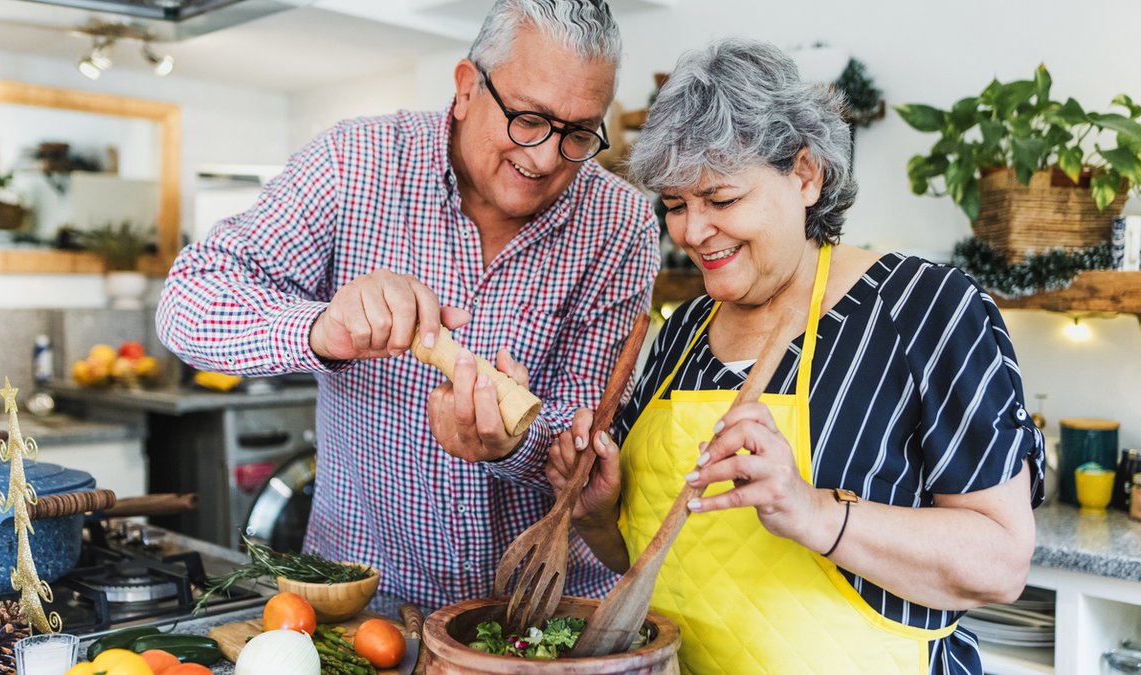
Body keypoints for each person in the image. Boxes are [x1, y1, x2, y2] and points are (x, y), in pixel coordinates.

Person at [548, 38, 1043, 673]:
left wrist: (812, 512)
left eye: (721, 200)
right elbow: (655, 565)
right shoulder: (684, 334)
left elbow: (1001, 562)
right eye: (675, 205)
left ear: (806, 175)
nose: (693, 231)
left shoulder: (925, 309)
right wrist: (594, 518)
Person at [157, 0, 659, 611]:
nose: (547, 157)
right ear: (467, 87)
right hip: (365, 602)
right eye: (529, 119)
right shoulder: (354, 163)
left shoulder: (620, 221)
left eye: (579, 132)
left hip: (540, 609)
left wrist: (513, 446)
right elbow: (188, 300)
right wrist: (323, 329)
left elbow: (589, 434)